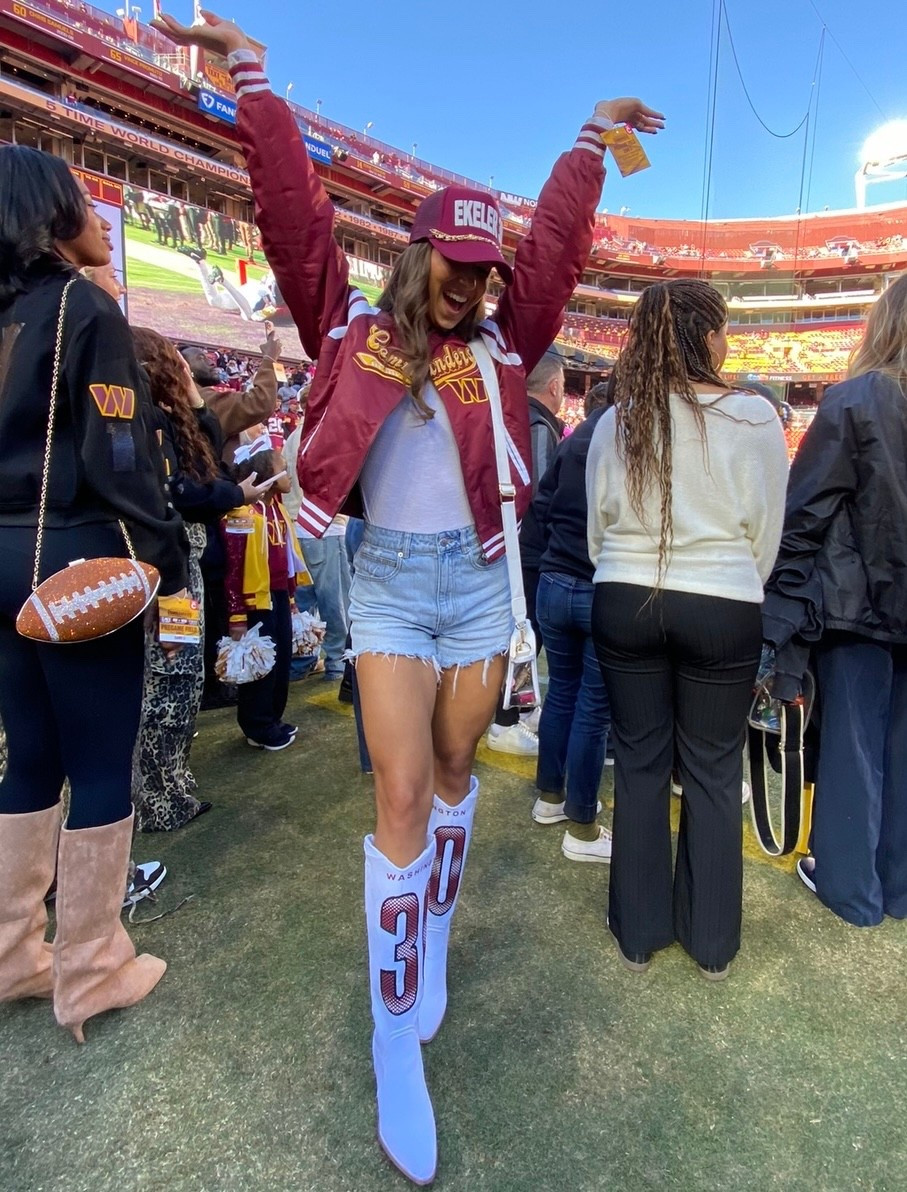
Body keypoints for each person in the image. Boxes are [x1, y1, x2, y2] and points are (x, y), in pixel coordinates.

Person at [154, 8, 662, 1184]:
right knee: (395, 789)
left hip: (480, 590)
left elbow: (553, 264)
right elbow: (291, 215)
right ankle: (395, 1036)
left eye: (486, 277)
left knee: (447, 780)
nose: (472, 290)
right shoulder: (343, 326)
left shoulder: (497, 341)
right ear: (418, 253)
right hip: (384, 586)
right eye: (455, 268)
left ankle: (426, 939)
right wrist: (259, 87)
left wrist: (588, 142)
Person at [0, 146, 188, 1041]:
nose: (94, 216)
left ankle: (12, 957)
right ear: (49, 213)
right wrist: (166, 558)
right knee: (100, 763)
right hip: (71, 555)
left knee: (28, 760)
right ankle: (91, 969)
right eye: (79, 198)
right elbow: (120, 460)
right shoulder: (84, 305)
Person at [586, 279, 788, 981]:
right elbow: (764, 533)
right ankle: (710, 944)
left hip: (623, 593)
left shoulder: (619, 420)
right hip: (722, 601)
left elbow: (596, 529)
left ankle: (638, 933)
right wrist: (733, 582)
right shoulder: (754, 417)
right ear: (708, 336)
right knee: (709, 768)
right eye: (723, 329)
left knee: (639, 761)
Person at [763, 273, 907, 928]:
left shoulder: (857, 397)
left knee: (852, 748)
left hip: (858, 611)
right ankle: (895, 888)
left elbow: (805, 512)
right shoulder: (864, 399)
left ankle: (850, 889)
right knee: (899, 752)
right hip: (880, 604)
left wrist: (780, 608)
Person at [130, 327, 274, 830]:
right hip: (167, 568)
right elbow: (189, 490)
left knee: (184, 680)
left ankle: (171, 785)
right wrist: (236, 497)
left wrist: (193, 402)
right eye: (177, 363)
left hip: (181, 563)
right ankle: (156, 797)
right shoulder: (143, 424)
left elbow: (204, 454)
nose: (187, 371)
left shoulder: (169, 420)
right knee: (168, 681)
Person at [529, 380, 613, 861]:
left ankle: (551, 797)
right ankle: (582, 821)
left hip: (555, 581)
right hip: (597, 586)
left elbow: (540, 506)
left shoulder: (575, 436)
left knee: (562, 692)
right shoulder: (625, 438)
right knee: (591, 706)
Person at [485, 346, 566, 755]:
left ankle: (520, 705)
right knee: (523, 636)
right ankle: (504, 722)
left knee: (524, 635)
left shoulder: (521, 418)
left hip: (515, 547)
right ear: (555, 386)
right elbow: (536, 496)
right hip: (528, 550)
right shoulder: (537, 425)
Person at [223, 441, 303, 751]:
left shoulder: (277, 509)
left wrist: (292, 599)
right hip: (254, 603)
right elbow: (233, 567)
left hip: (279, 595)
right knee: (260, 666)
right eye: (283, 469)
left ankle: (272, 718)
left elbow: (288, 560)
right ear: (266, 476)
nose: (289, 475)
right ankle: (257, 725)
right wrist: (236, 614)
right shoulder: (243, 513)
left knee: (279, 660)